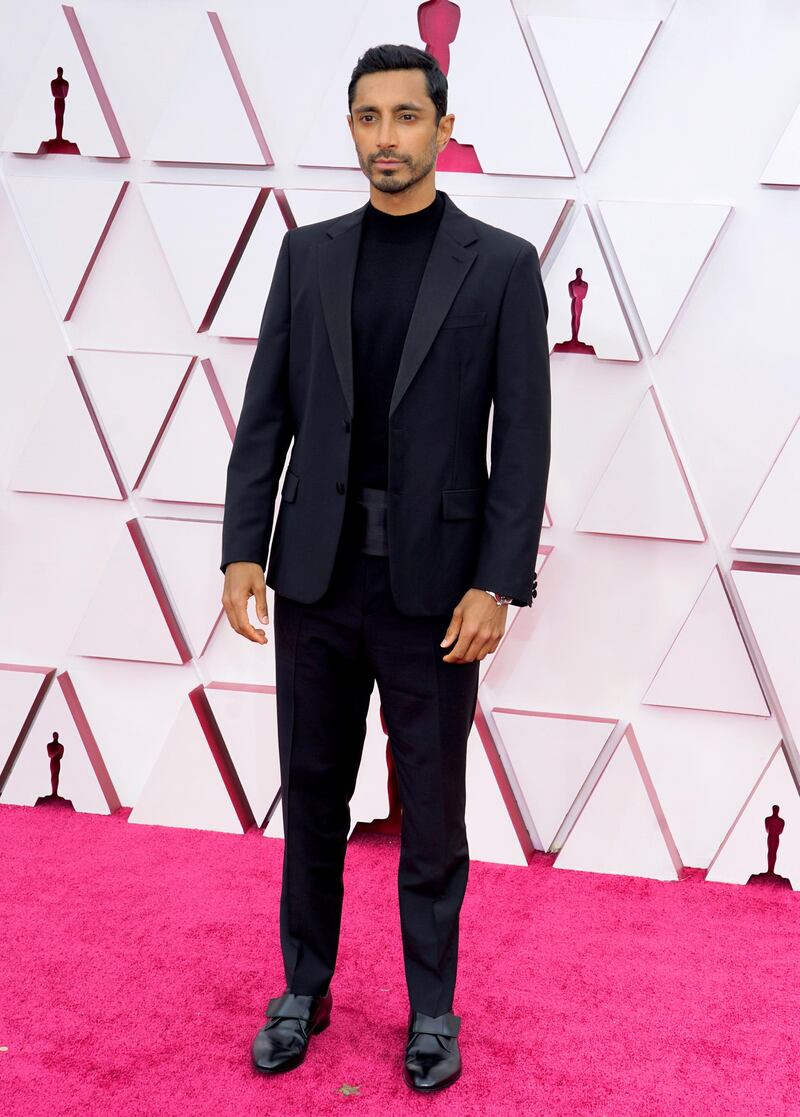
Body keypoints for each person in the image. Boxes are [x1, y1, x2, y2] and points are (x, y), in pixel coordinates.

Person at [220, 42, 550, 1094]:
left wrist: (496, 582)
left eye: (407, 117)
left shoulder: (498, 266)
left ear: (441, 128)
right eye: (369, 118)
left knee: (434, 816)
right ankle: (302, 989)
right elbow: (264, 415)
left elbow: (523, 443)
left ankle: (431, 1011)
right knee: (311, 796)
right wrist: (241, 549)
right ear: (352, 129)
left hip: (435, 594)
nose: (386, 138)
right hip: (313, 578)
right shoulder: (304, 256)